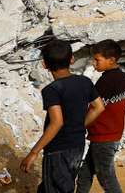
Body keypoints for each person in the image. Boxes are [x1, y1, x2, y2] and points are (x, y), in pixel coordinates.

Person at [20, 40, 105, 193]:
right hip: (77, 145)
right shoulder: (84, 82)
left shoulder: (52, 90)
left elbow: (57, 122)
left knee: (59, 188)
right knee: (52, 186)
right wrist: (79, 125)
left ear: (44, 64)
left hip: (58, 149)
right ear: (71, 59)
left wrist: (34, 152)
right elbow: (99, 107)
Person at [77, 40, 125, 193]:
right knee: (85, 174)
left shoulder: (106, 81)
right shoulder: (122, 77)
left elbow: (95, 108)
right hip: (105, 137)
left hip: (104, 137)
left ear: (111, 60)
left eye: (97, 60)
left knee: (106, 177)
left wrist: (80, 126)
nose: (94, 64)